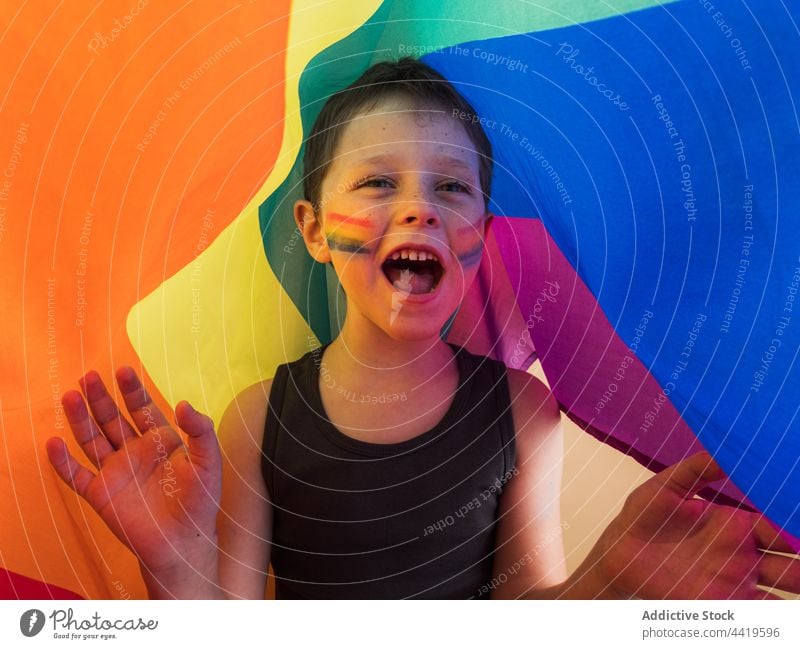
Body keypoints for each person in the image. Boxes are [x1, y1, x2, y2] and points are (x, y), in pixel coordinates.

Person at [46, 57, 799, 600]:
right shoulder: (257, 418)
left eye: (450, 188)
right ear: (312, 229)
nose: (421, 209)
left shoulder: (524, 413)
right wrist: (176, 569)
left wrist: (609, 586)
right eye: (377, 181)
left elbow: (528, 612)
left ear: (480, 231)